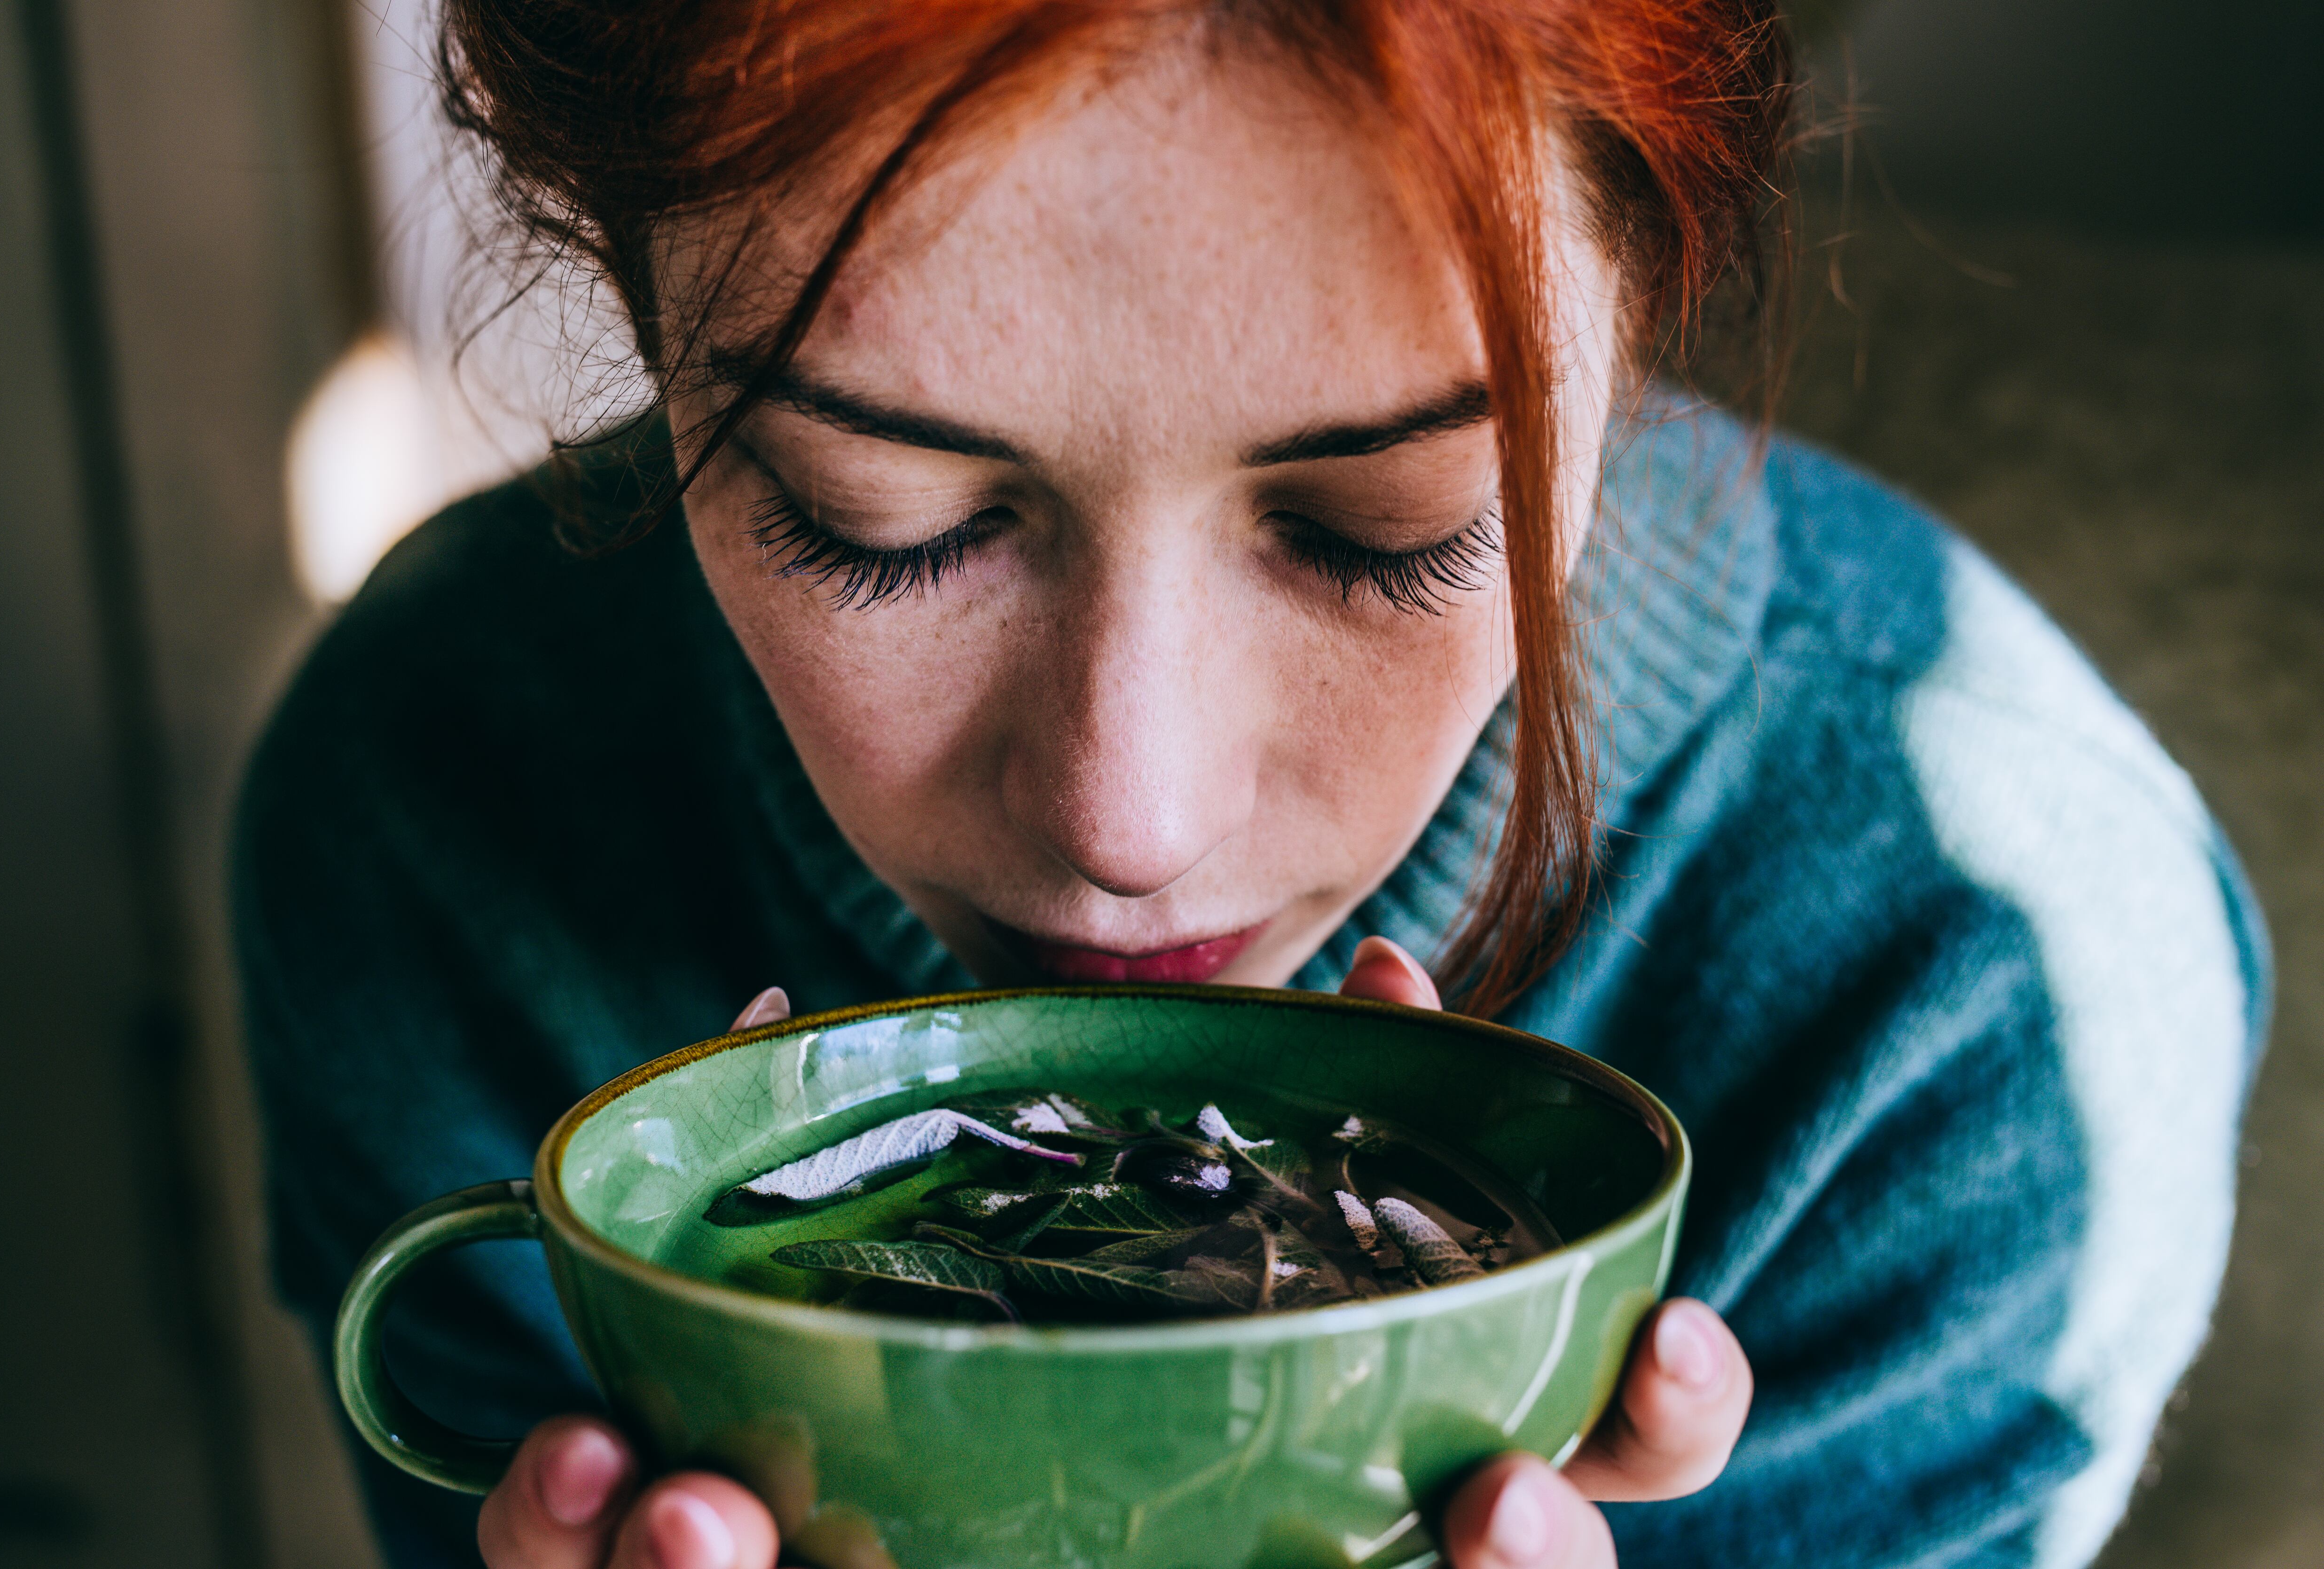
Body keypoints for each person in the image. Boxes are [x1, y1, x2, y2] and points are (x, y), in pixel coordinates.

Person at [234, 3, 2268, 1567]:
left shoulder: (1975, 981)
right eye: (880, 522)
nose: (1131, 818)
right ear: (630, 302)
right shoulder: (434, 820)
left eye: (1383, 534)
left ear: (1641, 308)